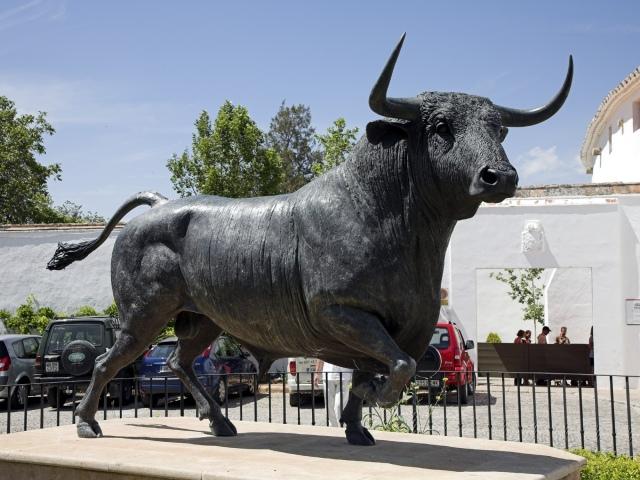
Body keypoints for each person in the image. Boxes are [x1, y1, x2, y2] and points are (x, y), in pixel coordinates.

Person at [315, 360, 352, 427]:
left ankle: (341, 427)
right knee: (329, 406)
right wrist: (317, 373)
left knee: (339, 406)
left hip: (344, 375)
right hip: (328, 374)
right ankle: (333, 428)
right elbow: (321, 354)